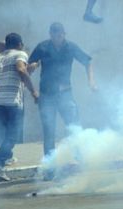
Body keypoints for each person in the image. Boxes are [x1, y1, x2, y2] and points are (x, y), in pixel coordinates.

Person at [28, 23, 97, 172]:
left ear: (64, 34)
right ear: (50, 34)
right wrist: (33, 66)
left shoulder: (71, 47)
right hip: (47, 96)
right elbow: (30, 63)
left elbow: (87, 61)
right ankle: (50, 168)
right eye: (54, 35)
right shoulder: (43, 46)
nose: (57, 38)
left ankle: (81, 161)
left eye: (59, 35)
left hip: (65, 94)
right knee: (49, 131)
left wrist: (91, 82)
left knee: (74, 127)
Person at [0, 33, 39, 180]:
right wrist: (34, 91)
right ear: (19, 44)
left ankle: (7, 156)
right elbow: (21, 70)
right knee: (13, 134)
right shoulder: (20, 54)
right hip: (10, 102)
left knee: (6, 130)